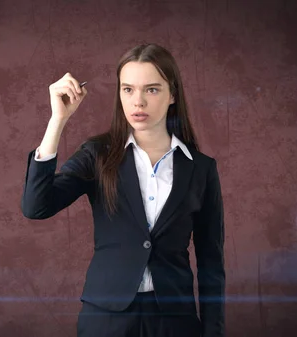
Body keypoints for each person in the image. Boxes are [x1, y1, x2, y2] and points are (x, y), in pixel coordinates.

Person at [21, 43, 225, 337]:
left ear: (173, 95)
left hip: (175, 321)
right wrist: (58, 120)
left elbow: (211, 262)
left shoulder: (201, 169)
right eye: (128, 89)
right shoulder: (98, 153)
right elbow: (35, 206)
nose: (137, 101)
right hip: (105, 319)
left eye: (151, 89)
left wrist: (214, 332)